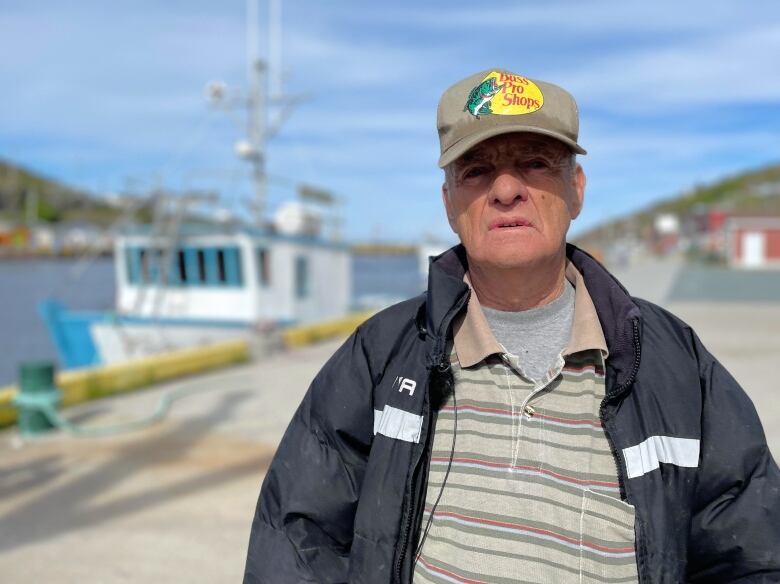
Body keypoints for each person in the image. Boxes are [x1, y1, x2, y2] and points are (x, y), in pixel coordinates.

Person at [243, 69, 780, 583]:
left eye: (536, 163)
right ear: (449, 202)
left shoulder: (675, 364)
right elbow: (296, 542)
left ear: (577, 189)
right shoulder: (379, 354)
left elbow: (752, 556)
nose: (505, 189)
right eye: (475, 171)